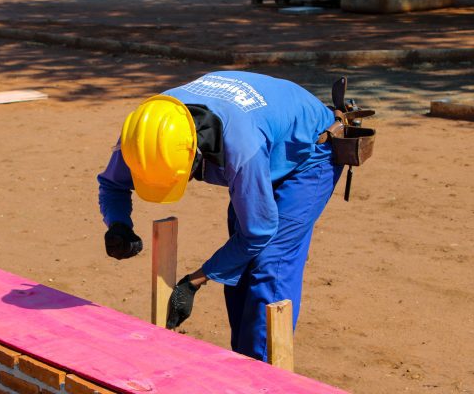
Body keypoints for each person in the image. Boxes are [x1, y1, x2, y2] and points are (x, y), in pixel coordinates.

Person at [97, 71, 343, 362]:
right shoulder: (146, 132)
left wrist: (194, 282)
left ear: (195, 156)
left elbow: (258, 232)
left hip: (310, 150)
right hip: (267, 130)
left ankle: (263, 378)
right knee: (239, 266)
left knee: (270, 261)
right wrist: (118, 225)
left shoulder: (241, 148)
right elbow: (113, 184)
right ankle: (242, 364)